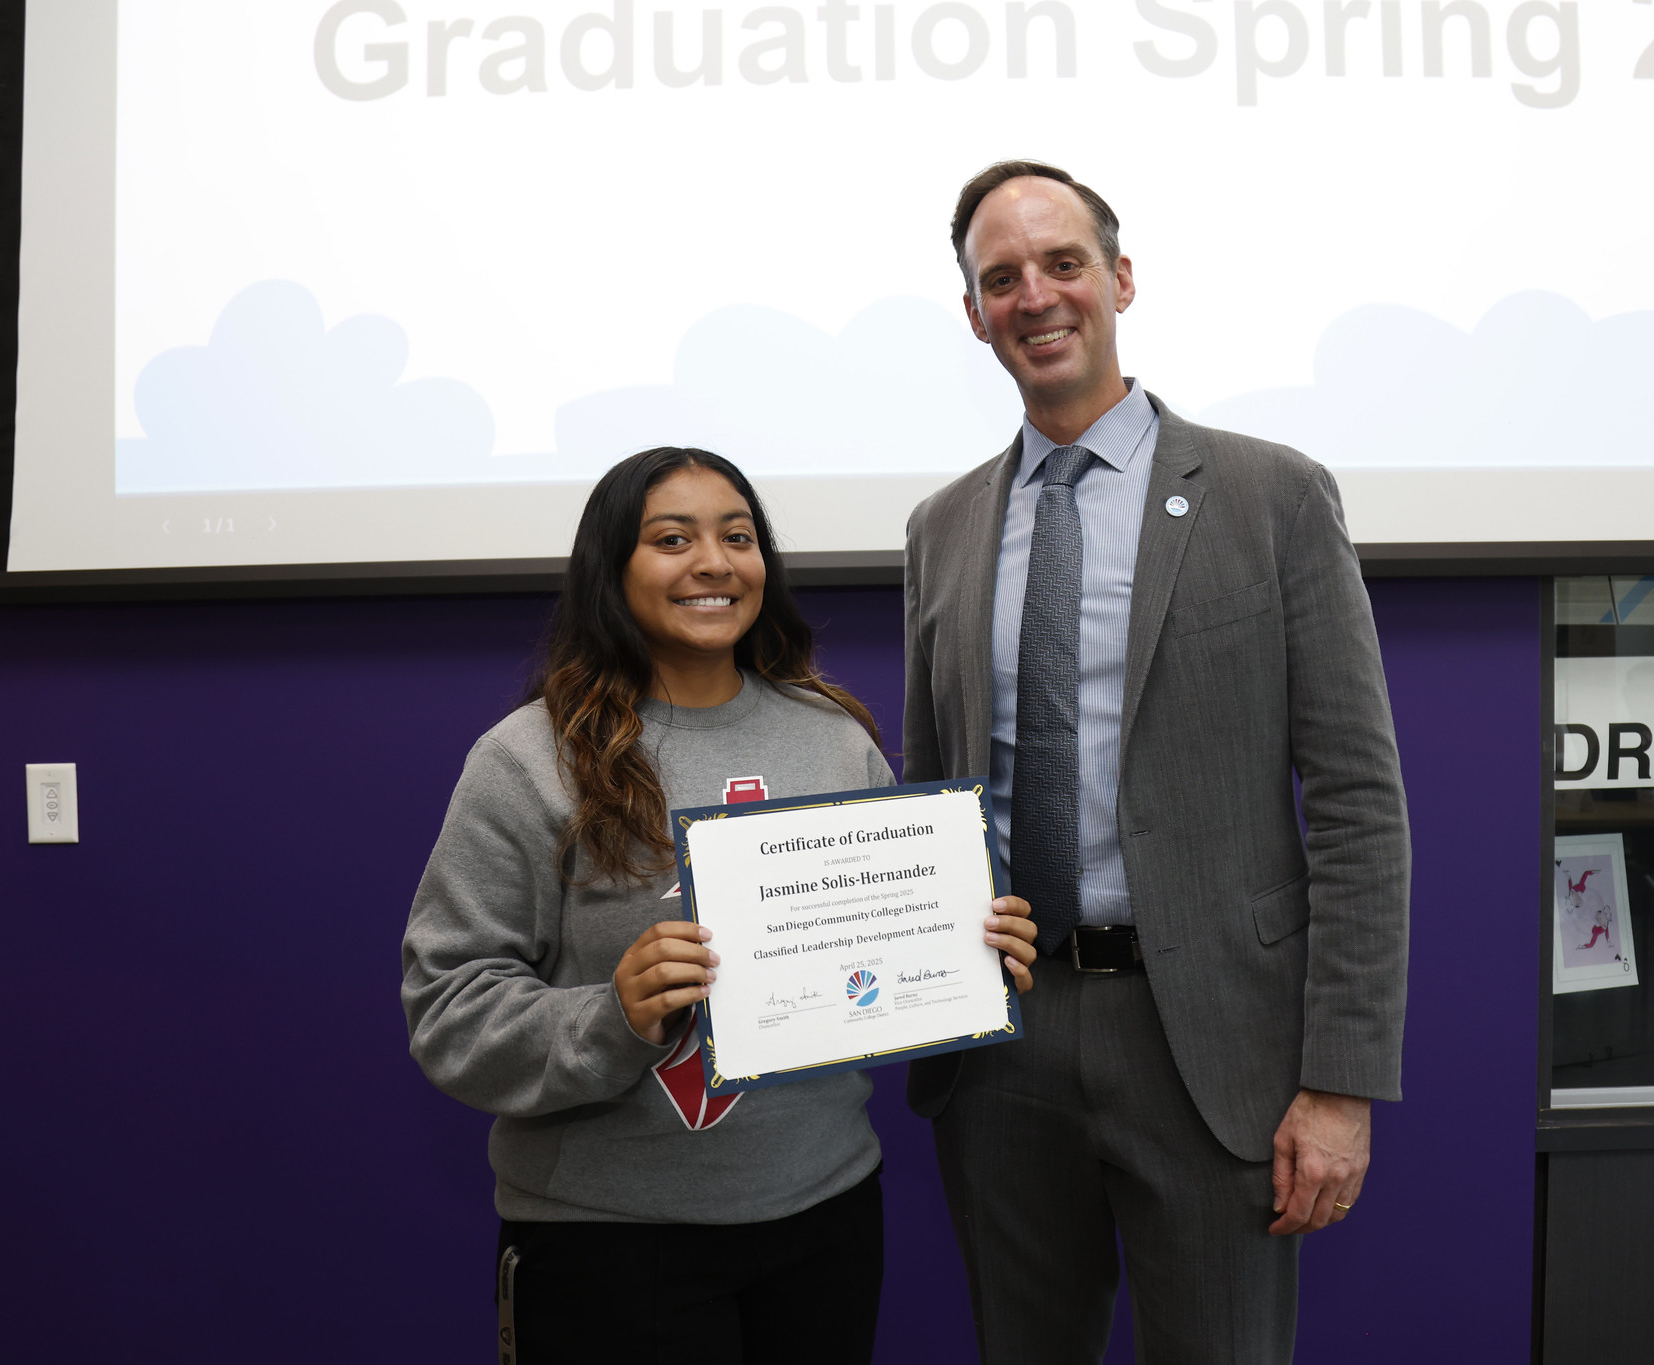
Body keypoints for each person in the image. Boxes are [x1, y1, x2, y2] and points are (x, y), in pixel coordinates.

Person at [902, 162, 1411, 1363]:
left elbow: (1356, 807)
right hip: (1003, 1045)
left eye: (1061, 264)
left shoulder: (1268, 495)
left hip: (1212, 1048)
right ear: (974, 315)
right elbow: (934, 802)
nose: (1035, 296)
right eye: (1000, 279)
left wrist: (1339, 1084)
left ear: (1119, 279)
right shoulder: (941, 529)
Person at [400, 446, 1042, 1363]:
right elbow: (448, 1008)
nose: (713, 561)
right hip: (608, 1238)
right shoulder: (524, 761)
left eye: (737, 536)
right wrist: (610, 1015)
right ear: (610, 571)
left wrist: (972, 945)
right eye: (673, 538)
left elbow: (874, 945)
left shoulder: (832, 737)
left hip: (825, 1215)